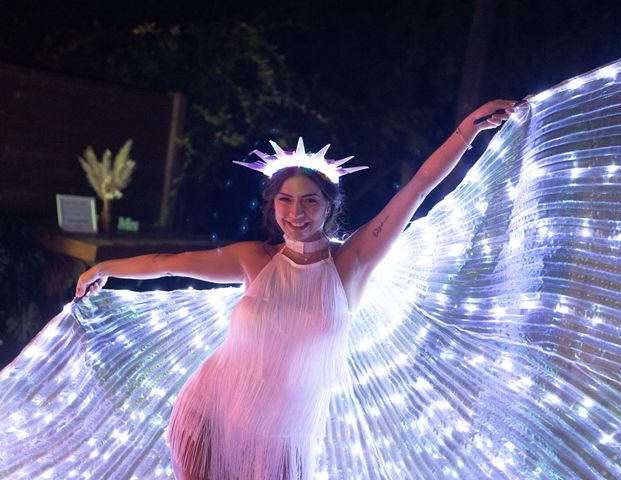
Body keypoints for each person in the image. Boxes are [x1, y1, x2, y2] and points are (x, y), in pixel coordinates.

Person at [75, 100, 517, 480]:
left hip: (281, 439)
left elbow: (419, 186)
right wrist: (105, 267)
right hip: (208, 412)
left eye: (310, 201)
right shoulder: (255, 259)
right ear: (273, 204)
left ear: (329, 206)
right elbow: (166, 264)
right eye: (285, 199)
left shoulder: (351, 263)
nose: (296, 212)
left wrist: (466, 131)